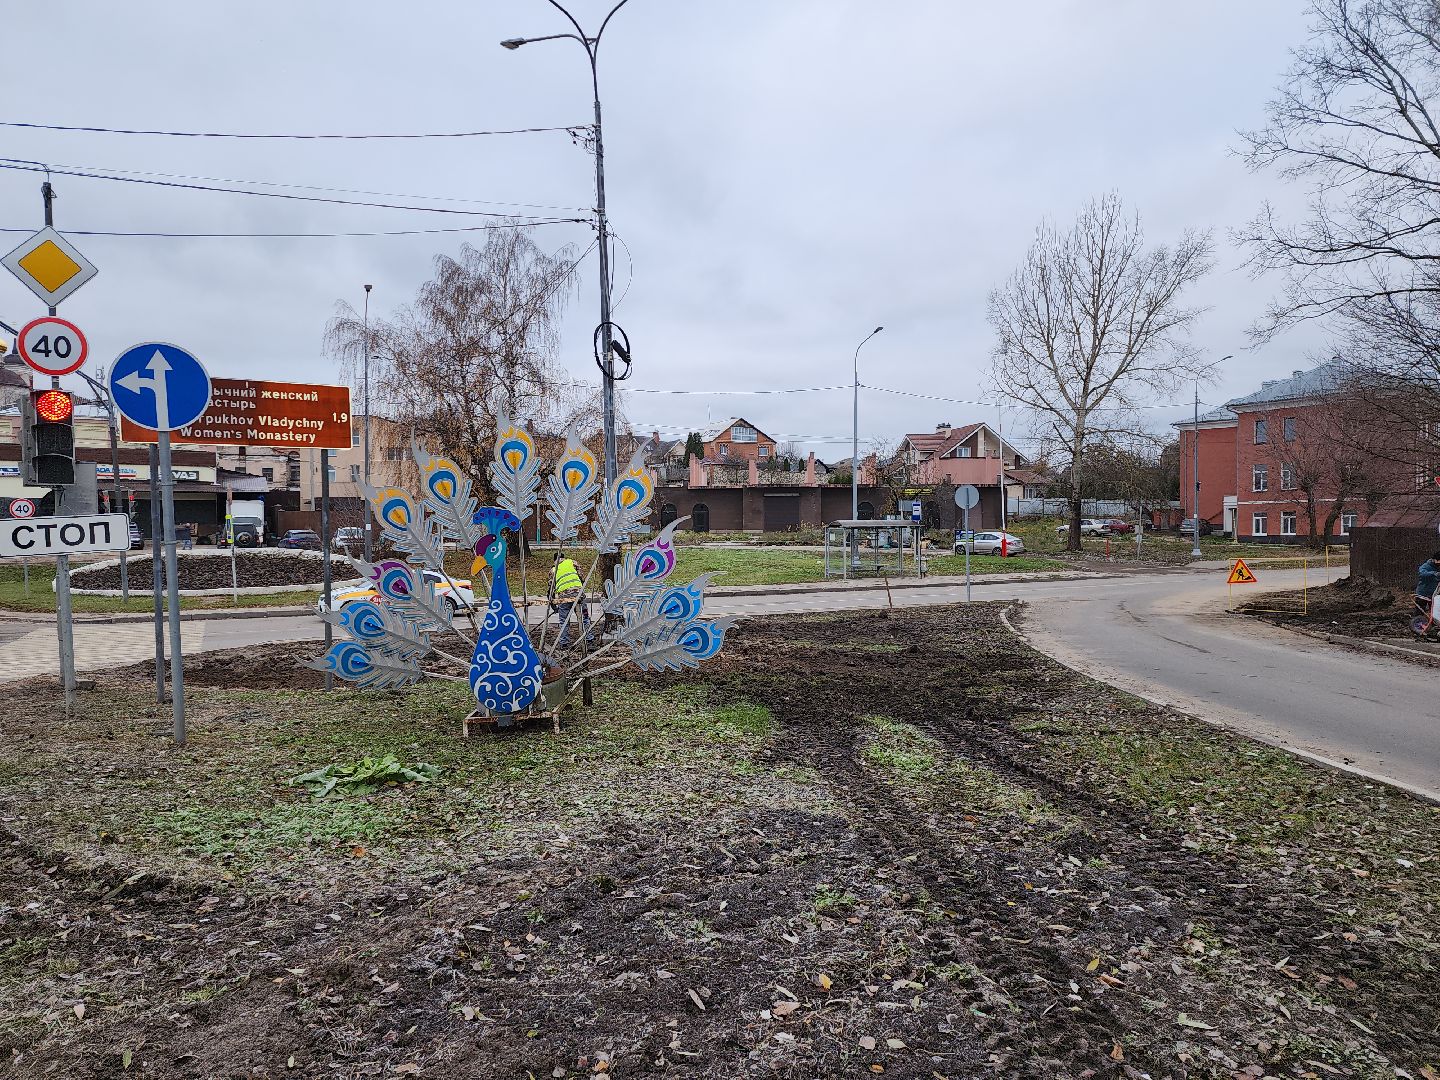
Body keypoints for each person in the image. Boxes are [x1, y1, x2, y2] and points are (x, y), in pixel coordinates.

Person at [551, 553, 589, 648]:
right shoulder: (572, 562)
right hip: (578, 595)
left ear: (554, 561)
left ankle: (564, 643)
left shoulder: (553, 570)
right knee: (585, 617)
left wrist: (553, 606)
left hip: (564, 597)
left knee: (564, 621)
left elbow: (551, 588)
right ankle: (589, 639)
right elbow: (581, 577)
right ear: (564, 558)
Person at [1415, 551, 1440, 634]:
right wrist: (1433, 574)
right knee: (1419, 611)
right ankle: (1418, 628)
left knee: (1434, 612)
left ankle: (1433, 628)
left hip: (1434, 594)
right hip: (1423, 593)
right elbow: (1422, 573)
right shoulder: (1427, 565)